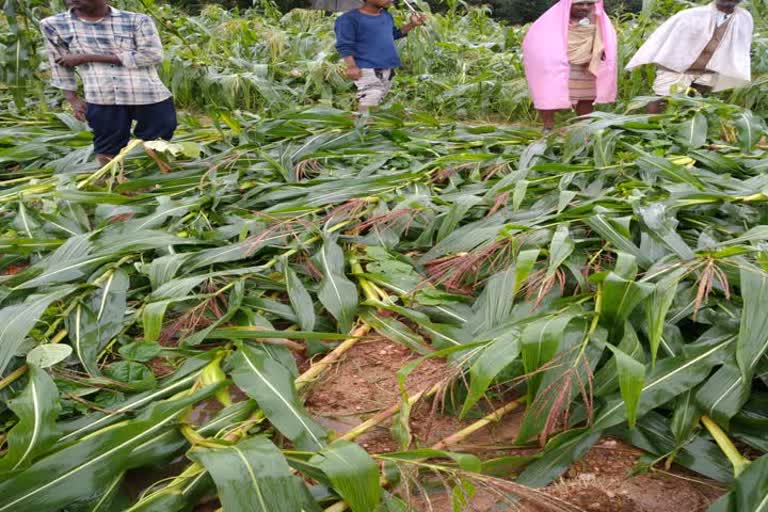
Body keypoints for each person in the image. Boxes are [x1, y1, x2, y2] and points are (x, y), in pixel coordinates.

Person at [40, 0, 177, 167]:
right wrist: (72, 99)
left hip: (147, 93)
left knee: (159, 138)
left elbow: (152, 55)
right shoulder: (54, 25)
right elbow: (59, 65)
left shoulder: (137, 20)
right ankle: (110, 183)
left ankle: (151, 176)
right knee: (107, 144)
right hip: (103, 96)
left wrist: (87, 57)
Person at [626, 0, 753, 113]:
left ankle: (677, 129)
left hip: (709, 70)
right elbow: (662, 38)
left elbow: (742, 45)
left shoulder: (744, 18)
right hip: (676, 68)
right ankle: (651, 129)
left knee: (692, 102)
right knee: (662, 99)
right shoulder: (690, 15)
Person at [522, 0, 618, 132]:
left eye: (589, 4)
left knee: (586, 97)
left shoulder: (598, 19)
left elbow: (606, 40)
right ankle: (548, 127)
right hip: (557, 65)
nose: (585, 7)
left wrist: (596, 55)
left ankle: (584, 127)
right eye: (579, 4)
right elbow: (538, 42)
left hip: (587, 65)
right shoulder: (552, 20)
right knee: (549, 93)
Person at [334, 0, 427, 112]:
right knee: (371, 96)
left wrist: (412, 24)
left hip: (387, 68)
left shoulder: (386, 16)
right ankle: (363, 125)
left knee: (376, 99)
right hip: (366, 68)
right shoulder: (348, 19)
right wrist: (351, 66)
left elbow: (393, 34)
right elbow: (344, 45)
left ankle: (365, 123)